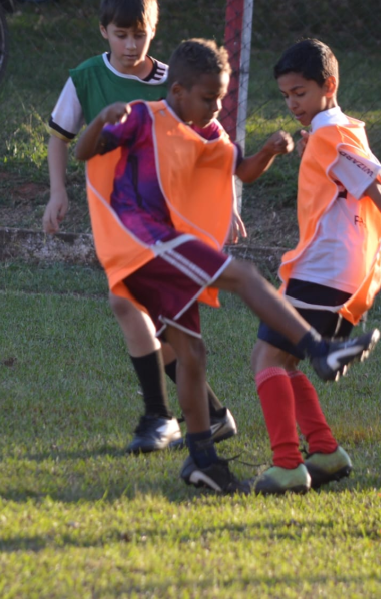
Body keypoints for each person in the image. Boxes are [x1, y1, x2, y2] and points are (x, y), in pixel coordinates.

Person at [75, 38, 381, 492]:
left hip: (166, 251)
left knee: (193, 356)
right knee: (242, 275)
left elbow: (242, 170)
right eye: (208, 98)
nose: (218, 107)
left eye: (221, 98)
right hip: (144, 242)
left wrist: (269, 153)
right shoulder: (143, 116)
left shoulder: (210, 134)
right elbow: (84, 153)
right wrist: (101, 120)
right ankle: (319, 349)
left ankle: (202, 460)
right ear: (177, 92)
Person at [242, 39, 381, 495]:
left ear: (328, 86)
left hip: (325, 273)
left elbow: (379, 194)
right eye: (286, 95)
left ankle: (288, 465)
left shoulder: (334, 135)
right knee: (280, 361)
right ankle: (325, 453)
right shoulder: (333, 132)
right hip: (325, 272)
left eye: (299, 92)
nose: (292, 103)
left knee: (268, 361)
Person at [41, 0, 237, 455]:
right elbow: (60, 137)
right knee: (152, 316)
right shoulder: (85, 77)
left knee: (126, 300)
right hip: (114, 216)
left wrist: (224, 203)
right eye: (121, 34)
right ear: (103, 31)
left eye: (140, 35)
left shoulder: (174, 81)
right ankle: (211, 416)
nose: (131, 45)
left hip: (161, 217)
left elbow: (212, 145)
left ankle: (159, 416)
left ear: (154, 30)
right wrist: (57, 191)